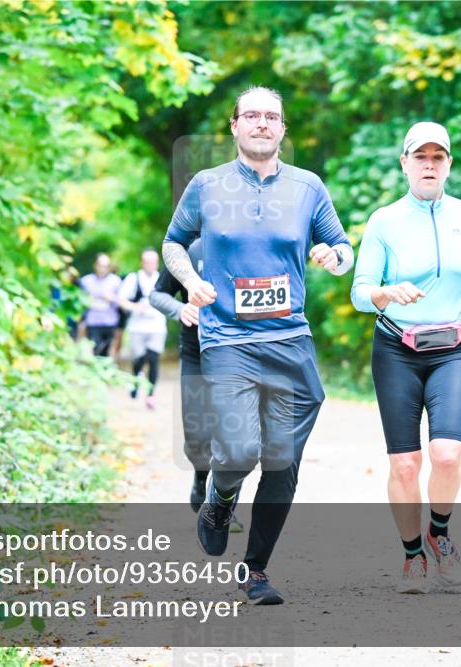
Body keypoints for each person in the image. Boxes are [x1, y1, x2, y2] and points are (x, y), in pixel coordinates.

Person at [162, 85, 353, 605]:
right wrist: (190, 280)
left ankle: (257, 571)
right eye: (252, 116)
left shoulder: (308, 186)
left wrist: (335, 257)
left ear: (283, 129)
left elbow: (342, 244)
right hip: (227, 339)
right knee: (242, 449)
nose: (262, 123)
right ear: (235, 126)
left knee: (282, 462)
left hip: (290, 339)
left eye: (272, 116)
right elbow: (173, 242)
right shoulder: (206, 185)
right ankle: (220, 500)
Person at [351, 121, 461, 594]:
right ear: (405, 164)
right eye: (421, 157)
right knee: (406, 465)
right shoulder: (383, 220)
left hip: (454, 347)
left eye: (438, 157)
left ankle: (440, 532)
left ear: (449, 164)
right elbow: (358, 293)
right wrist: (386, 292)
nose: (429, 165)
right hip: (396, 348)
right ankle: (412, 555)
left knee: (447, 454)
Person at [149, 239, 244, 532]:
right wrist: (180, 310)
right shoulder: (190, 251)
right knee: (197, 434)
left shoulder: (248, 246)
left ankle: (223, 507)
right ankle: (201, 475)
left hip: (238, 354)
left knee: (233, 436)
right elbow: (157, 295)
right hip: (196, 353)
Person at [118, 249, 167, 409]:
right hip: (138, 326)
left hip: (157, 325)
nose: (150, 265)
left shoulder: (162, 278)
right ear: (142, 262)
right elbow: (121, 299)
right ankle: (136, 381)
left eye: (153, 262)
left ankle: (151, 395)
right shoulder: (134, 278)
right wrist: (135, 307)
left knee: (153, 358)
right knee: (139, 359)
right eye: (147, 261)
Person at [79, 254, 123, 357]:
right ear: (95, 265)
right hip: (93, 322)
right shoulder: (86, 281)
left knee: (107, 352)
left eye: (105, 266)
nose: (102, 269)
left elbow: (122, 301)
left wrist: (111, 298)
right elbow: (80, 301)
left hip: (110, 322)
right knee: (96, 350)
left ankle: (105, 371)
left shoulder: (116, 281)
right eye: (100, 265)